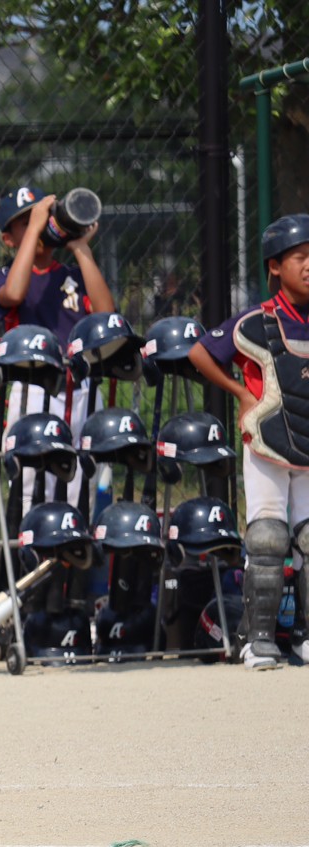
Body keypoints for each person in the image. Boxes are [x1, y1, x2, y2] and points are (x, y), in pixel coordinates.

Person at [187, 214, 309, 670]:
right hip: (268, 444)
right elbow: (201, 351)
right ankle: (258, 640)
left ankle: (305, 636)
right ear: (275, 266)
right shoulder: (257, 321)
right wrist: (240, 393)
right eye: (300, 257)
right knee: (268, 536)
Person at [0, 184, 116, 507]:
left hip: (81, 387)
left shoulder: (74, 274)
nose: (39, 223)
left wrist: (81, 248)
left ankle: (76, 536)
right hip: (33, 387)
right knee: (31, 482)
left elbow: (107, 316)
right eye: (26, 221)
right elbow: (14, 294)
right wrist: (35, 229)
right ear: (9, 239)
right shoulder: (2, 277)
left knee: (81, 483)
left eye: (42, 217)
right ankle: (30, 536)